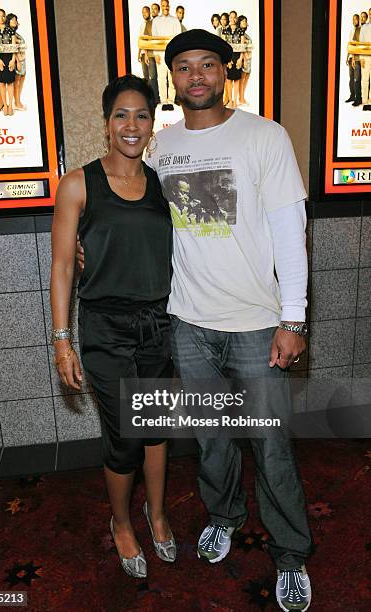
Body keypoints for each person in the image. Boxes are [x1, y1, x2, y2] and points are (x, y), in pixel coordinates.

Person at [77, 28, 314, 612]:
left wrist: (295, 318)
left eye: (208, 64)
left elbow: (291, 231)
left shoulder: (264, 135)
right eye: (184, 67)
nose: (197, 76)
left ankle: (290, 553)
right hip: (185, 321)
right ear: (172, 80)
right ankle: (224, 516)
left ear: (226, 70)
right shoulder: (159, 147)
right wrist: (89, 244)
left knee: (272, 446)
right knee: (211, 441)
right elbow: (128, 207)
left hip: (258, 322)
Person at [51, 75, 175, 580]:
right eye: (121, 115)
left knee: (158, 430)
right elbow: (62, 265)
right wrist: (62, 341)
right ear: (106, 124)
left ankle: (159, 513)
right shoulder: (78, 183)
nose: (132, 125)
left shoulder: (165, 183)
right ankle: (121, 521)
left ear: (152, 124)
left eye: (141, 115)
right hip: (105, 327)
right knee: (125, 434)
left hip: (162, 322)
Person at [151, 0, 182, 110]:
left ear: (169, 6)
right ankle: (164, 101)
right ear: (161, 6)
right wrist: (155, 54)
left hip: (172, 54)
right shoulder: (156, 21)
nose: (165, 7)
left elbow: (178, 39)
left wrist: (176, 55)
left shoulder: (175, 21)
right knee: (161, 78)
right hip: (160, 53)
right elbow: (154, 38)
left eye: (167, 5)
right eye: (163, 6)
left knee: (172, 77)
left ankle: (171, 101)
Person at [0, 8, 16, 116]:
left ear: (5, 17)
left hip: (9, 58)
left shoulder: (10, 30)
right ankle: (5, 105)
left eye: (3, 16)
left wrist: (13, 60)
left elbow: (14, 46)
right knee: (1, 83)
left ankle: (10, 105)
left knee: (10, 82)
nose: (1, 18)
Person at [138, 5, 159, 101]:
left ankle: (155, 97)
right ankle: (147, 97)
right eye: (142, 12)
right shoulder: (143, 25)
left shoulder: (153, 24)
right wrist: (139, 53)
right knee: (146, 76)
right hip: (144, 53)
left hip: (151, 53)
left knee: (153, 76)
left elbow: (148, 40)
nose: (144, 14)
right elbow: (141, 40)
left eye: (146, 12)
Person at [7, 14, 26, 111]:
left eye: (15, 19)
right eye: (12, 20)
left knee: (22, 79)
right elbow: (12, 48)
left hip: (23, 59)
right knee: (17, 81)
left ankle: (18, 100)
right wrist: (17, 61)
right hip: (17, 59)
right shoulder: (9, 33)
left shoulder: (15, 32)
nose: (15, 21)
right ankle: (17, 103)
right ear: (8, 21)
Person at [223, 11, 242, 108]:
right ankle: (230, 100)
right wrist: (227, 60)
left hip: (238, 57)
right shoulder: (225, 30)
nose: (233, 19)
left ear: (237, 18)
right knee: (229, 80)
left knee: (237, 80)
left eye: (234, 17)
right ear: (229, 18)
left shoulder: (240, 30)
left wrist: (241, 59)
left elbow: (243, 46)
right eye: (231, 17)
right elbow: (223, 46)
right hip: (229, 57)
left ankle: (235, 102)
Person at [346, 13, 362, 106]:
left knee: (357, 79)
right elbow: (350, 45)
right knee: (351, 78)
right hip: (350, 57)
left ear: (358, 20)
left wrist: (354, 58)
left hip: (356, 58)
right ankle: (352, 96)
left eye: (355, 19)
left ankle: (358, 98)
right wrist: (347, 56)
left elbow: (357, 46)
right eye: (353, 19)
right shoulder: (352, 30)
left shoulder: (360, 30)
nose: (354, 21)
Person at [238, 15, 252, 106]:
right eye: (242, 21)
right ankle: (241, 98)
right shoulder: (240, 34)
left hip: (249, 58)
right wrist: (243, 57)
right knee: (242, 79)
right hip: (244, 58)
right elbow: (241, 47)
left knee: (246, 78)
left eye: (245, 21)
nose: (244, 23)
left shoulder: (245, 34)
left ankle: (242, 96)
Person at [360, 7, 371, 110]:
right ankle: (365, 102)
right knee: (365, 79)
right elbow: (361, 43)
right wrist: (361, 58)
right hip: (366, 57)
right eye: (370, 14)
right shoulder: (364, 28)